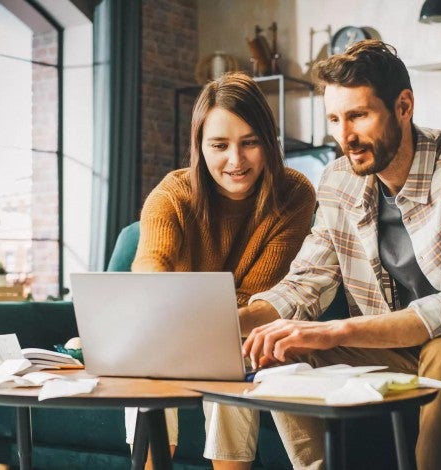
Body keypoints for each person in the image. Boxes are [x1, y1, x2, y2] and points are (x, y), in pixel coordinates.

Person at [240, 40, 441, 470]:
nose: (344, 136)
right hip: (400, 352)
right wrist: (230, 323)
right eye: (334, 119)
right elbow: (306, 281)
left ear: (403, 106)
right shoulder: (337, 180)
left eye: (358, 116)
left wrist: (334, 332)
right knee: (282, 349)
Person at [124, 71, 317, 469]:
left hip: (242, 328)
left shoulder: (294, 194)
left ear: (269, 142)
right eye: (219, 145)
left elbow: (259, 296)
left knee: (233, 360)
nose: (236, 160)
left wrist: (201, 321)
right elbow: (149, 267)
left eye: (250, 143)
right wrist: (161, 308)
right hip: (171, 330)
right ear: (199, 146)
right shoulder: (173, 194)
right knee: (145, 365)